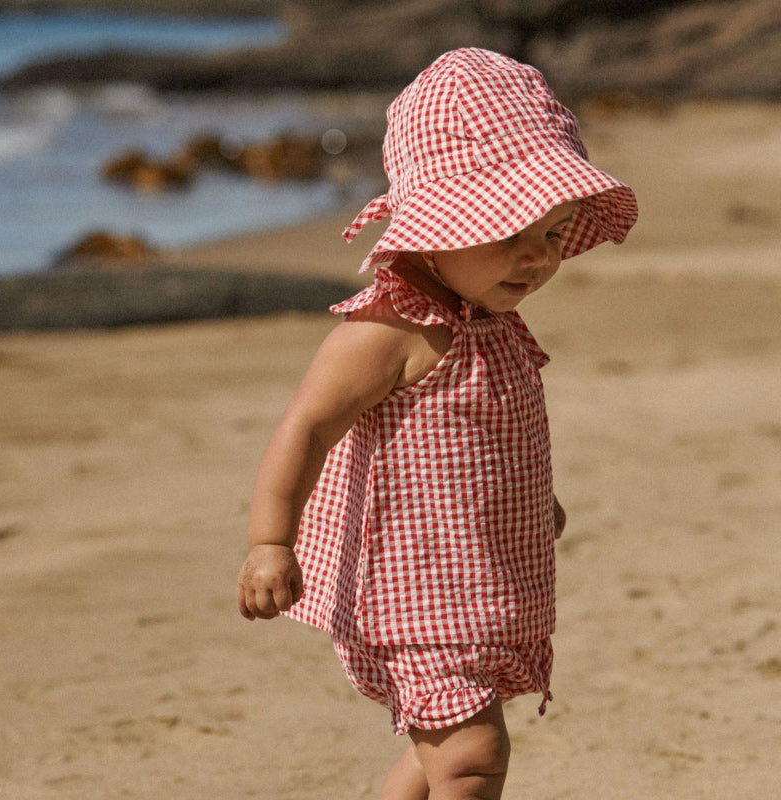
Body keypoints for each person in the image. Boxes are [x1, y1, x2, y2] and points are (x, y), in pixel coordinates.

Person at [237, 48, 637, 800]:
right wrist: (269, 542)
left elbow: (491, 433)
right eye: (509, 233)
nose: (537, 258)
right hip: (411, 588)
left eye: (554, 234)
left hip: (482, 578)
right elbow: (307, 428)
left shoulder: (488, 320)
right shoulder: (387, 333)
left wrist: (535, 499)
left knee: (436, 754)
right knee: (471, 757)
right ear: (436, 226)